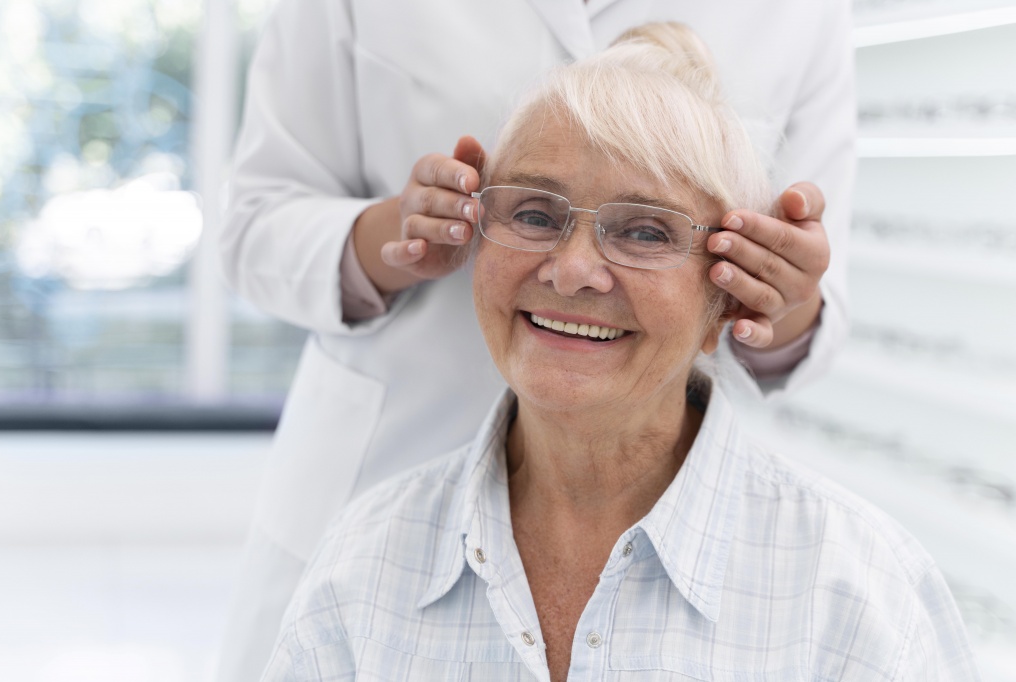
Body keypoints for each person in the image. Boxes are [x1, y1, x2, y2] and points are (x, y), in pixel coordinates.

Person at [259, 24, 975, 680]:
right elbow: (256, 216)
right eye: (534, 214)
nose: (572, 271)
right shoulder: (361, 565)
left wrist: (786, 298)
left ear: (728, 297)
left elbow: (805, 306)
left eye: (646, 232)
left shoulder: (857, 596)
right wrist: (399, 232)